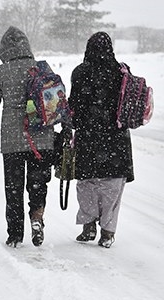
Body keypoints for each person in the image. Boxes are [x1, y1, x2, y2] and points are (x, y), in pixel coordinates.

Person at [0, 26, 54, 248]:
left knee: (14, 188)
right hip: (42, 138)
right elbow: (54, 102)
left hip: (12, 141)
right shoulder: (40, 69)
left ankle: (15, 234)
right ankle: (37, 218)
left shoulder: (2, 71)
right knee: (38, 184)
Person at [68, 32, 134, 248]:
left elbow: (73, 106)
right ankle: (107, 231)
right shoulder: (121, 72)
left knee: (87, 182)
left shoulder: (80, 72)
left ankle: (88, 226)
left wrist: (75, 123)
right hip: (116, 138)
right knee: (113, 185)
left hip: (89, 136)